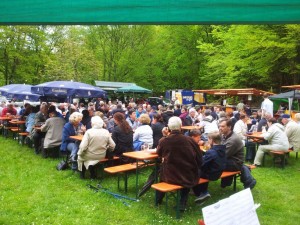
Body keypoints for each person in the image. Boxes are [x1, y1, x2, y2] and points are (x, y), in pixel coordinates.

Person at [156, 116, 202, 211]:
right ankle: (182, 202)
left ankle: (158, 200)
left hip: (169, 176)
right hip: (188, 176)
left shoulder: (164, 141)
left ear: (168, 128)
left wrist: (165, 136)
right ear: (181, 126)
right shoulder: (190, 140)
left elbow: (159, 154)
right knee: (185, 174)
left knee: (162, 172)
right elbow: (199, 158)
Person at [219, 119, 256, 189]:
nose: (220, 128)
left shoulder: (233, 139)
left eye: (223, 126)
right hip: (232, 160)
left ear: (229, 127)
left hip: (235, 163)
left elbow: (223, 155)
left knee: (211, 163)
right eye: (219, 126)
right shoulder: (225, 135)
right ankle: (247, 179)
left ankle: (201, 189)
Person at [193, 131, 226, 204]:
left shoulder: (211, 152)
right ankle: (203, 191)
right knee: (205, 168)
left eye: (208, 139)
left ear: (211, 140)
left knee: (192, 172)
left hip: (210, 174)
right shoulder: (223, 149)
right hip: (218, 173)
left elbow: (201, 164)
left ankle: (200, 193)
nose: (207, 141)